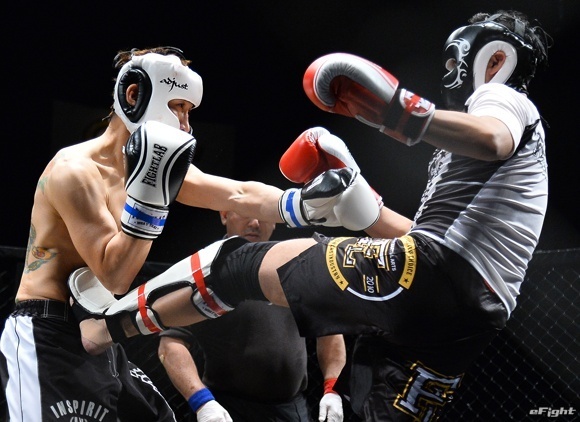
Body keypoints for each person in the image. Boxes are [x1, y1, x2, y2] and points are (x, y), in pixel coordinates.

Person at [69, 10, 552, 421]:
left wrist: (398, 113)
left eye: (452, 61)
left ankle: (102, 330)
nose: (448, 72)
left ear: (494, 59)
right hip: (469, 318)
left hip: (435, 271)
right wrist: (359, 201)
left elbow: (492, 139)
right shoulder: (482, 165)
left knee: (237, 262)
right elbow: (423, 236)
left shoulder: (502, 100)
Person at [1, 45, 359, 421]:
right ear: (134, 95)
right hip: (46, 334)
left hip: (98, 334)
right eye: (177, 107)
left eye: (189, 111)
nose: (186, 125)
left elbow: (237, 194)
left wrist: (304, 204)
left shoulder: (150, 168)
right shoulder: (74, 171)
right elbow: (114, 274)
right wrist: (150, 199)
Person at [158, 211, 346, 421]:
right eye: (246, 213)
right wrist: (202, 402)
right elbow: (170, 345)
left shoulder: (294, 265)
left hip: (291, 409)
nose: (255, 223)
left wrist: (332, 387)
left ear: (276, 221)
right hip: (228, 409)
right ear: (224, 215)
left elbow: (329, 331)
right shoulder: (201, 271)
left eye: (263, 214)